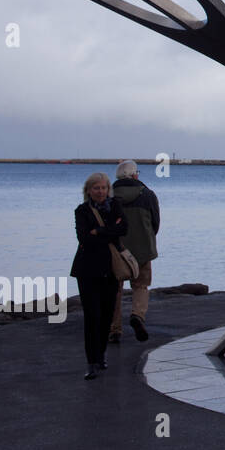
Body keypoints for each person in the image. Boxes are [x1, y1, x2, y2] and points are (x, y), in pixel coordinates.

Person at [73, 172, 128, 379]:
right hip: (87, 270)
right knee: (91, 316)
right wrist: (108, 231)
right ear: (88, 190)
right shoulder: (82, 211)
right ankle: (91, 362)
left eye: (104, 188)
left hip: (111, 268)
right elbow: (84, 238)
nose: (101, 192)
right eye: (96, 188)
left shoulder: (115, 206)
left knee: (106, 314)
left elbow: (124, 228)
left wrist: (99, 231)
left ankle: (101, 354)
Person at [108, 160, 160, 343]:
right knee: (140, 285)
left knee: (115, 289)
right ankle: (137, 315)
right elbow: (155, 222)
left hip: (116, 250)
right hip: (142, 248)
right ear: (135, 175)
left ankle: (114, 329)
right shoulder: (147, 195)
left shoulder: (109, 195)